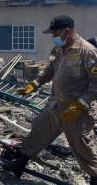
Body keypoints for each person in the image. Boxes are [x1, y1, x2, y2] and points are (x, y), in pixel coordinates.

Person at [10, 15, 97, 184]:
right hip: (55, 105)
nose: (53, 37)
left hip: (76, 111)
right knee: (37, 133)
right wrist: (36, 83)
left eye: (54, 34)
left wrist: (83, 103)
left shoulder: (88, 52)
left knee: (83, 148)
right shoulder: (59, 49)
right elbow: (51, 68)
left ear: (66, 31)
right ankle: (19, 163)